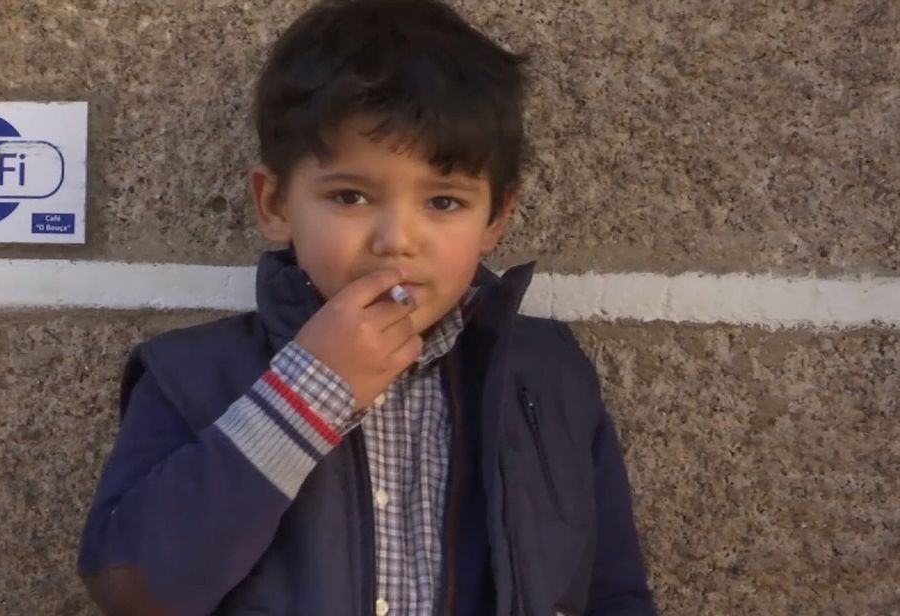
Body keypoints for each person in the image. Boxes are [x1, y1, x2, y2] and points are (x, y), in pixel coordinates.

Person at [78, 1, 656, 614]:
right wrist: (308, 391)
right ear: (274, 204)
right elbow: (132, 590)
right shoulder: (190, 375)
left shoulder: (548, 375)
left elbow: (611, 591)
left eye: (444, 202)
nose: (396, 239)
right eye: (351, 195)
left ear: (496, 218)